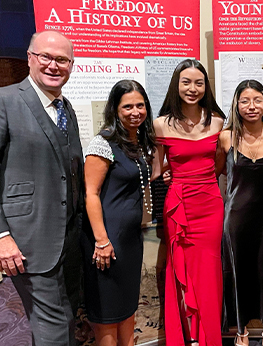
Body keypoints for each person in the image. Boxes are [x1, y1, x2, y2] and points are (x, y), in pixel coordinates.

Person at [0, 30, 83, 345]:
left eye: (62, 59)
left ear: (71, 65)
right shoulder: (5, 101)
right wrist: (2, 236)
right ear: (30, 58)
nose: (53, 65)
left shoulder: (66, 109)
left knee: (63, 321)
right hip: (28, 242)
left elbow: (71, 171)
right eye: (46, 57)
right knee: (55, 328)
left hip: (69, 239)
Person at [151, 59, 226, 346]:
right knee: (179, 268)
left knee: (208, 271)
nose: (192, 88)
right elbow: (157, 171)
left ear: (205, 86)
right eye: (186, 82)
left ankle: (209, 337)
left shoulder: (218, 122)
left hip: (209, 204)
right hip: (178, 205)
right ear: (176, 85)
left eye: (198, 83)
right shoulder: (160, 124)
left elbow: (219, 165)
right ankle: (188, 337)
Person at [81, 80, 156, 346]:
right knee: (107, 315)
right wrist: (102, 241)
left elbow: (137, 177)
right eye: (127, 106)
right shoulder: (103, 143)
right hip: (107, 242)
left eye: (140, 105)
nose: (135, 111)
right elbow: (90, 194)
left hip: (130, 242)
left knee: (127, 312)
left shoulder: (138, 142)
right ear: (115, 109)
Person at [216, 80, 263, 346]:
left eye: (257, 100)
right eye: (245, 101)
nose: (251, 106)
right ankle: (241, 331)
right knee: (237, 272)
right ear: (236, 105)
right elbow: (216, 172)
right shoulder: (226, 137)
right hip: (235, 217)